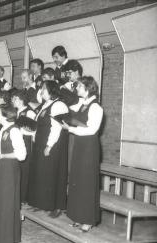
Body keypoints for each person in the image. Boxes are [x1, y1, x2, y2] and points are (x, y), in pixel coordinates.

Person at [62, 76, 103, 232]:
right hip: (79, 145)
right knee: (77, 180)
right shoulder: (82, 104)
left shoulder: (96, 108)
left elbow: (92, 130)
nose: (76, 89)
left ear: (87, 88)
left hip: (89, 148)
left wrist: (70, 129)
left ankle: (88, 220)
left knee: (87, 183)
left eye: (79, 86)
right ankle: (78, 217)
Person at [27, 81, 69, 218]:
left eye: (44, 89)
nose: (41, 91)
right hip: (41, 143)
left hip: (53, 145)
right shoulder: (45, 105)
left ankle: (57, 206)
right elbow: (39, 125)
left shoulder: (59, 105)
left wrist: (49, 145)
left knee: (53, 174)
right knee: (42, 174)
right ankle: (42, 203)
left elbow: (56, 128)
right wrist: (34, 135)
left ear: (52, 90)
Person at [0, 105, 27, 243]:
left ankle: (8, 238)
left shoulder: (14, 130)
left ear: (5, 115)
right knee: (0, 202)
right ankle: (1, 235)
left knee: (7, 203)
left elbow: (21, 155)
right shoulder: (3, 128)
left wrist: (2, 156)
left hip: (9, 170)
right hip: (1, 168)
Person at [11, 90, 36, 203]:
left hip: (25, 141)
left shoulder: (29, 112)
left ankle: (23, 197)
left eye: (15, 98)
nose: (13, 101)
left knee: (24, 169)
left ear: (21, 100)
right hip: (16, 140)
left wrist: (22, 130)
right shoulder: (15, 112)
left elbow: (33, 131)